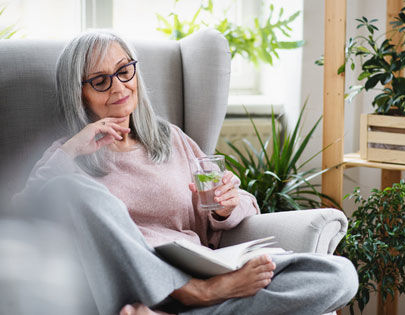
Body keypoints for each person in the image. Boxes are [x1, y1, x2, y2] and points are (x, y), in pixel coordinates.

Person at [15, 30, 358, 315]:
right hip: (125, 287)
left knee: (338, 274)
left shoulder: (172, 140)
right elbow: (24, 212)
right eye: (100, 81)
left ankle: (179, 305)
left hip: (197, 275)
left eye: (124, 71)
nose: (119, 87)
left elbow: (230, 210)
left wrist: (228, 204)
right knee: (71, 191)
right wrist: (74, 149)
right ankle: (190, 294)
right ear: (80, 94)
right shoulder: (67, 154)